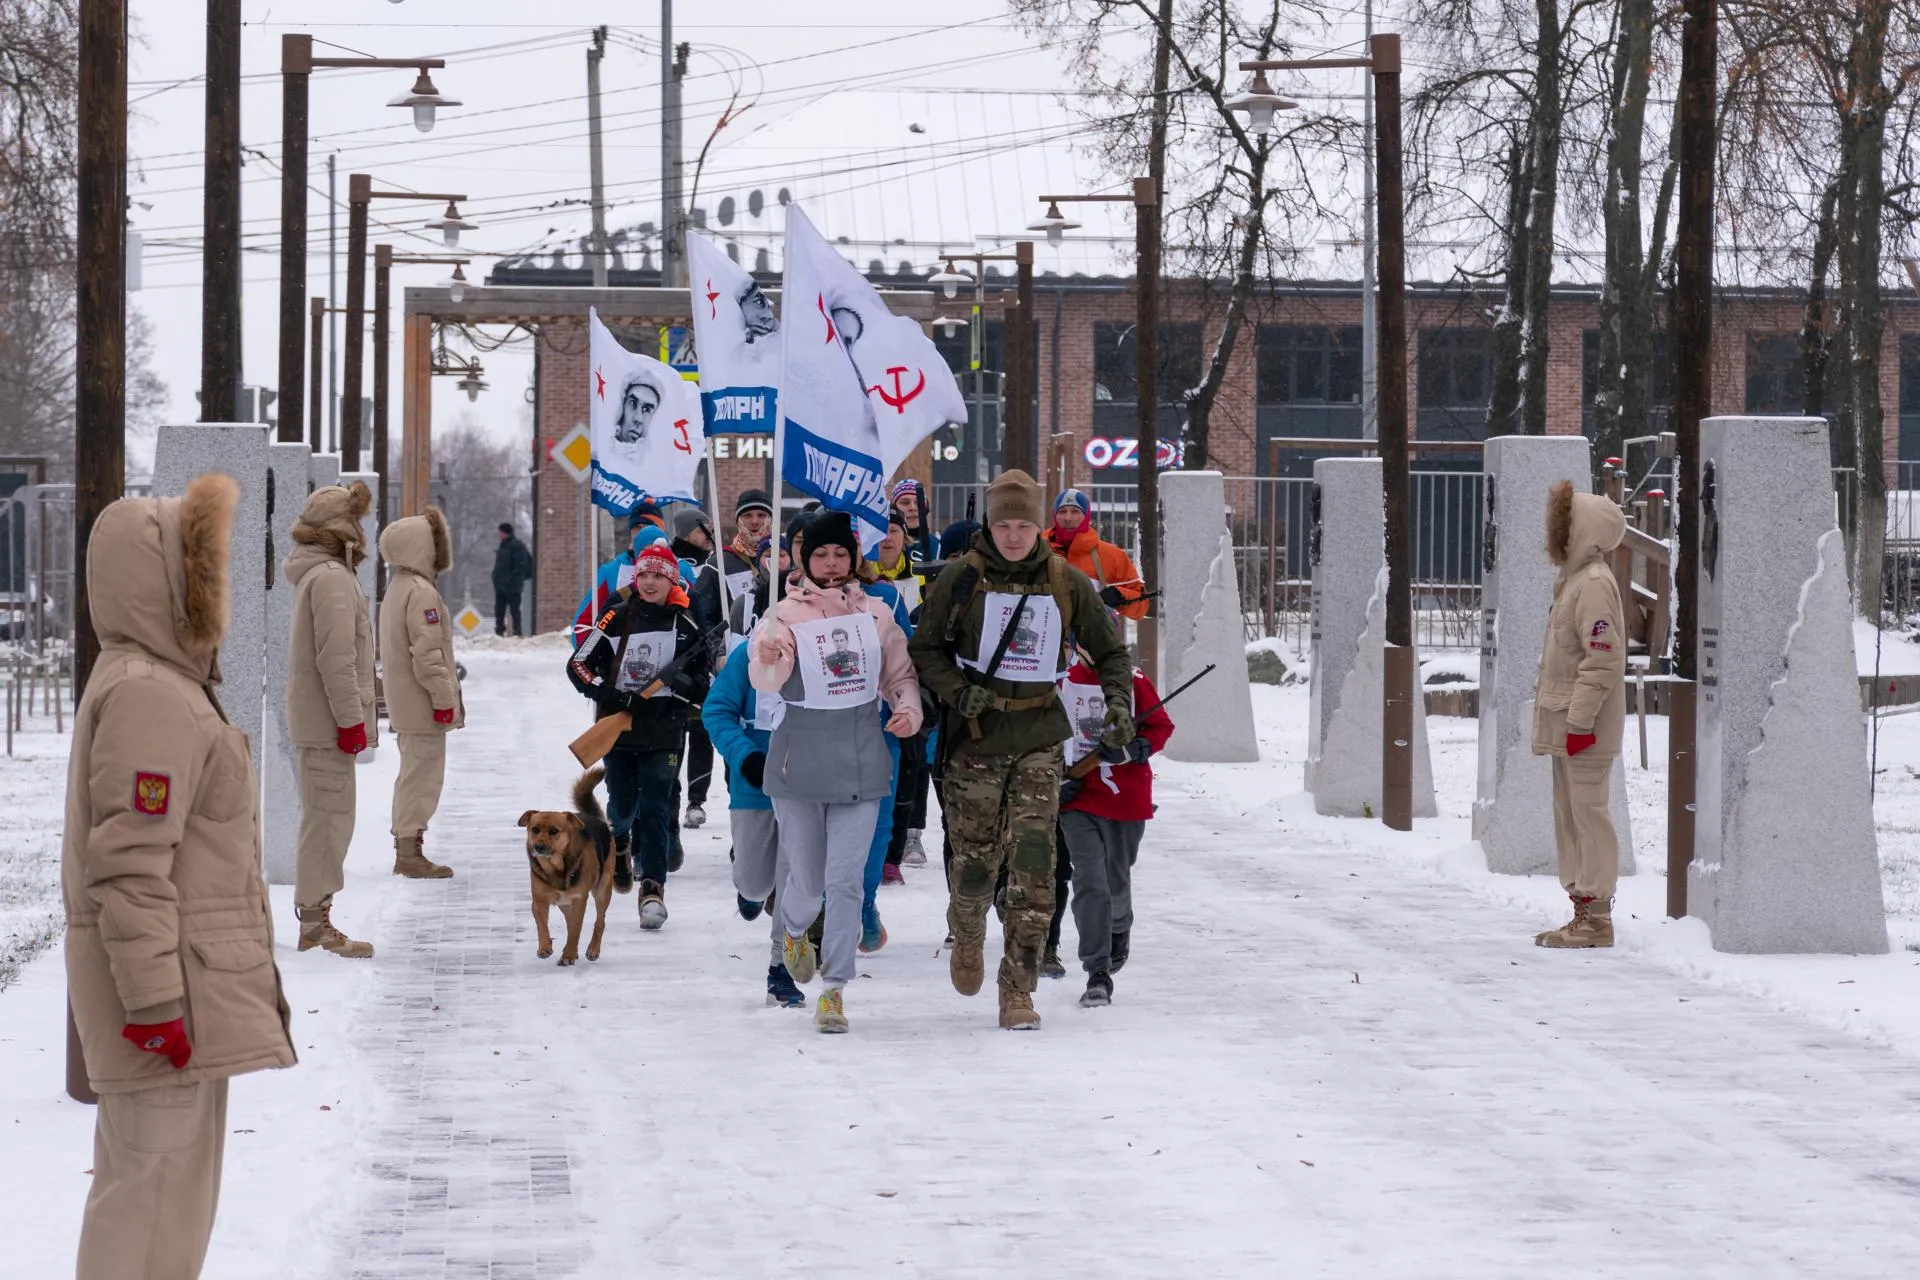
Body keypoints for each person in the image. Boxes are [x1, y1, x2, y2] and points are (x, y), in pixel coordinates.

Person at [63, 475, 297, 1280]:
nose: (215, 588)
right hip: (162, 1004)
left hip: (181, 995)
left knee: (167, 1200)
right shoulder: (149, 696)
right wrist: (156, 1003)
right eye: (201, 570)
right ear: (161, 581)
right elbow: (129, 865)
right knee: (150, 1202)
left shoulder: (159, 683)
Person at [910, 470, 1133, 1030]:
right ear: (990, 522)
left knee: (1035, 864)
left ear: (1039, 524)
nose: (1013, 535)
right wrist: (959, 694)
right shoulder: (962, 578)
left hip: (1038, 736)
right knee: (976, 867)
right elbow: (925, 649)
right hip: (976, 742)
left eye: (1024, 524)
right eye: (1004, 524)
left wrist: (1118, 705)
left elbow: (1110, 653)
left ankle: (1018, 989)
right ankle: (967, 931)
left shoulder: (1065, 581)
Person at [750, 511, 922, 1034]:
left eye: (840, 555)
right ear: (804, 560)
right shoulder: (783, 614)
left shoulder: (877, 613)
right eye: (820, 554)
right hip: (798, 759)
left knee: (845, 880)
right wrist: (768, 656)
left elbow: (900, 674)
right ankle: (796, 930)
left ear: (852, 559)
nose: (830, 564)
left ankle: (835, 990)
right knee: (805, 879)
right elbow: (767, 682)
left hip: (861, 758)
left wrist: (908, 708)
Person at [567, 541, 711, 928]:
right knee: (622, 805)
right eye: (643, 575)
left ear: (671, 581)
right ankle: (620, 845)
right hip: (620, 730)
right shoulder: (614, 618)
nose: (649, 582)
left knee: (657, 806)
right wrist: (607, 692)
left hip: (665, 730)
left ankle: (653, 886)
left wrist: (684, 684)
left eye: (658, 576)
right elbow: (579, 664)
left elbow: (706, 680)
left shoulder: (687, 626)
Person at [1532, 479, 1628, 949]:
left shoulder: (1591, 585)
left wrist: (1580, 723)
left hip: (1582, 728)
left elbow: (1603, 657)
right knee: (1571, 815)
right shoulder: (1572, 582)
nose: (1557, 530)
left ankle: (1597, 918)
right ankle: (1582, 912)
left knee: (1588, 814)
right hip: (1569, 723)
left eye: (1565, 523)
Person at [284, 481, 378, 958]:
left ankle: (317, 918)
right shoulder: (333, 580)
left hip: (320, 722)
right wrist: (350, 720)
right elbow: (336, 659)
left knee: (326, 819)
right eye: (357, 523)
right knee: (328, 823)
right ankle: (316, 924)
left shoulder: (319, 576)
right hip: (328, 724)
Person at [1056, 639, 1174, 1006]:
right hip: (1078, 801)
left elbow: (1160, 726)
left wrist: (1136, 748)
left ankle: (1119, 925)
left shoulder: (1133, 681)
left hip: (1126, 799)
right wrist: (1056, 779)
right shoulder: (1059, 682)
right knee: (1089, 879)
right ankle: (1097, 971)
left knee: (1116, 879)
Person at [703, 627, 806, 1008]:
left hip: (809, 783)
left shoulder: (823, 649)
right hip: (756, 785)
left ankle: (781, 969)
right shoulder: (749, 653)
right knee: (754, 880)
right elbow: (716, 711)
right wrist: (744, 755)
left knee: (795, 876)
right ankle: (750, 893)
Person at [379, 507, 464, 879]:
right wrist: (444, 700)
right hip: (421, 704)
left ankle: (407, 843)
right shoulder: (421, 593)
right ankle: (409, 851)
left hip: (406, 702)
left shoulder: (398, 588)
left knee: (412, 774)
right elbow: (428, 655)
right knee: (422, 777)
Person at [671, 506, 723, 830]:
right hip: (679, 658)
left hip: (708, 658)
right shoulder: (675, 564)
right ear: (691, 532)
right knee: (677, 733)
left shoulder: (716, 564)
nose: (711, 535)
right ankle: (671, 793)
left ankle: (696, 799)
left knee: (702, 731)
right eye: (706, 529)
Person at [1048, 488, 1151, 620]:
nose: (1068, 518)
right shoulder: (1037, 549)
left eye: (1075, 511)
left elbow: (1142, 605)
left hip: (1091, 637)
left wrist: (1119, 596)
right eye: (1062, 511)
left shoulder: (1112, 556)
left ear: (1086, 516)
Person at [725, 489, 775, 600]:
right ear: (738, 521)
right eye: (747, 515)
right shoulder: (720, 561)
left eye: (762, 515)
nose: (755, 521)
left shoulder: (784, 557)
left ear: (772, 519)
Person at [492, 521, 532, 636]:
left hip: (512, 585)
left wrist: (510, 579)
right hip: (500, 585)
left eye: (500, 532)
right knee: (499, 610)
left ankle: (517, 631)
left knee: (514, 609)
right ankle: (499, 630)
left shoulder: (517, 545)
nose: (499, 535)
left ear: (506, 533)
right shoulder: (503, 545)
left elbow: (520, 565)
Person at [891, 478, 939, 563]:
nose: (913, 508)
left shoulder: (938, 545)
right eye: (905, 503)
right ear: (894, 508)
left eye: (918, 502)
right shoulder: (886, 544)